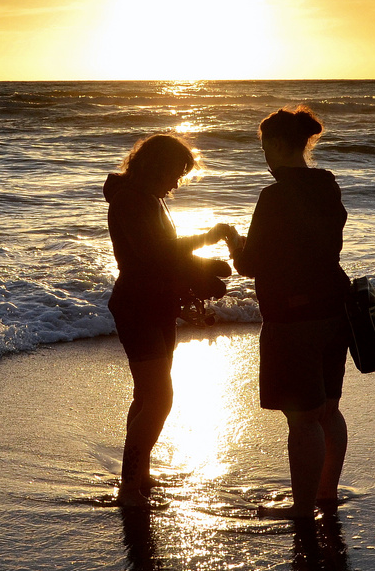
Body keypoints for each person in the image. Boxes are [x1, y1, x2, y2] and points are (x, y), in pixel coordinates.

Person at [228, 106, 353, 521]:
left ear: (280, 144)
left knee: (302, 421)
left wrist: (231, 241)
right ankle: (325, 494)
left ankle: (302, 511)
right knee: (328, 409)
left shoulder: (275, 196)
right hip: (335, 309)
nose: (263, 156)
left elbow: (251, 264)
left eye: (265, 147)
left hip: (293, 317)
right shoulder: (327, 186)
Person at [104, 133, 239, 507]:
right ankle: (129, 489)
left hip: (156, 304)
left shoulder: (149, 199)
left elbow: (163, 258)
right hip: (137, 306)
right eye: (175, 172)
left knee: (147, 396)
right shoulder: (131, 201)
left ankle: (139, 475)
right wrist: (206, 244)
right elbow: (154, 254)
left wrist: (196, 275)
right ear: (156, 166)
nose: (177, 182)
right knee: (160, 399)